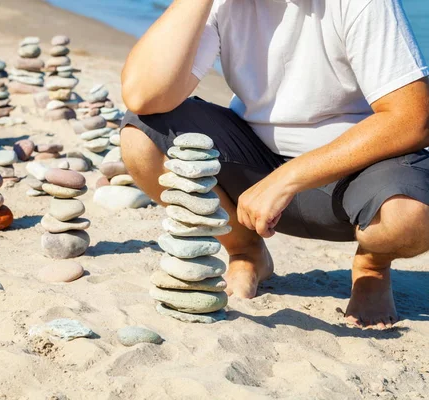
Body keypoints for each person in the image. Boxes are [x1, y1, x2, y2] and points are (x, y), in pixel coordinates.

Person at [120, 0, 429, 329]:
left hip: (355, 172)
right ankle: (245, 250)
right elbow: (144, 96)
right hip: (253, 164)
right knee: (142, 137)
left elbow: (412, 119)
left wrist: (289, 178)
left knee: (408, 216)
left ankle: (372, 266)